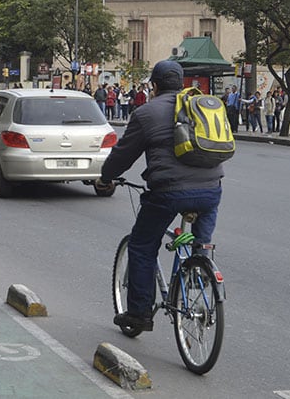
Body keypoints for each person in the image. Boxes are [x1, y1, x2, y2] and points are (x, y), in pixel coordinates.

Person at [95, 60, 224, 332]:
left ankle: (139, 314)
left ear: (154, 85)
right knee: (202, 244)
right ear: (182, 83)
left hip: (169, 192)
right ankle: (200, 271)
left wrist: (105, 177)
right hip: (212, 189)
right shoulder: (200, 104)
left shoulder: (146, 113)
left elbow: (123, 155)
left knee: (142, 246)